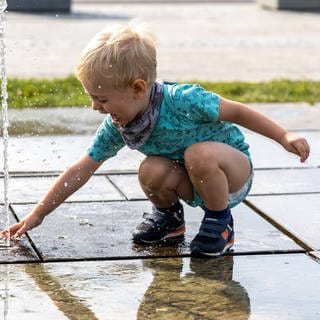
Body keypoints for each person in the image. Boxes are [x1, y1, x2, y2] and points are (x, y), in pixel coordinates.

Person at [1, 23, 310, 256]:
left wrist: (283, 135)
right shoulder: (119, 126)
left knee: (198, 154)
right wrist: (36, 215)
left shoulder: (184, 100)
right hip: (193, 180)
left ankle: (220, 224)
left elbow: (238, 112)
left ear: (137, 88)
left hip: (231, 172)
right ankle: (169, 219)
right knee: (151, 169)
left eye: (102, 98)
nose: (96, 107)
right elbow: (82, 169)